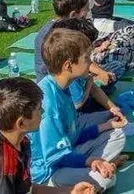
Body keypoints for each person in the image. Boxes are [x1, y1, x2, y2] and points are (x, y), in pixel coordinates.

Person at [29, 28, 128, 191]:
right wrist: (90, 161)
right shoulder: (48, 104)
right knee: (106, 180)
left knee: (117, 135)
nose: (91, 63)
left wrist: (107, 126)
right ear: (68, 65)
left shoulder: (62, 87)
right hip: (51, 172)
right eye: (86, 58)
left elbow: (72, 136)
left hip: (68, 154)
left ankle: (99, 169)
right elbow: (56, 157)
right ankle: (98, 172)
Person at [0, 77, 96, 194]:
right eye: (38, 108)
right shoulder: (4, 162)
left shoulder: (22, 142)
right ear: (21, 123)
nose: (42, 111)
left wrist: (70, 191)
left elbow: (29, 189)